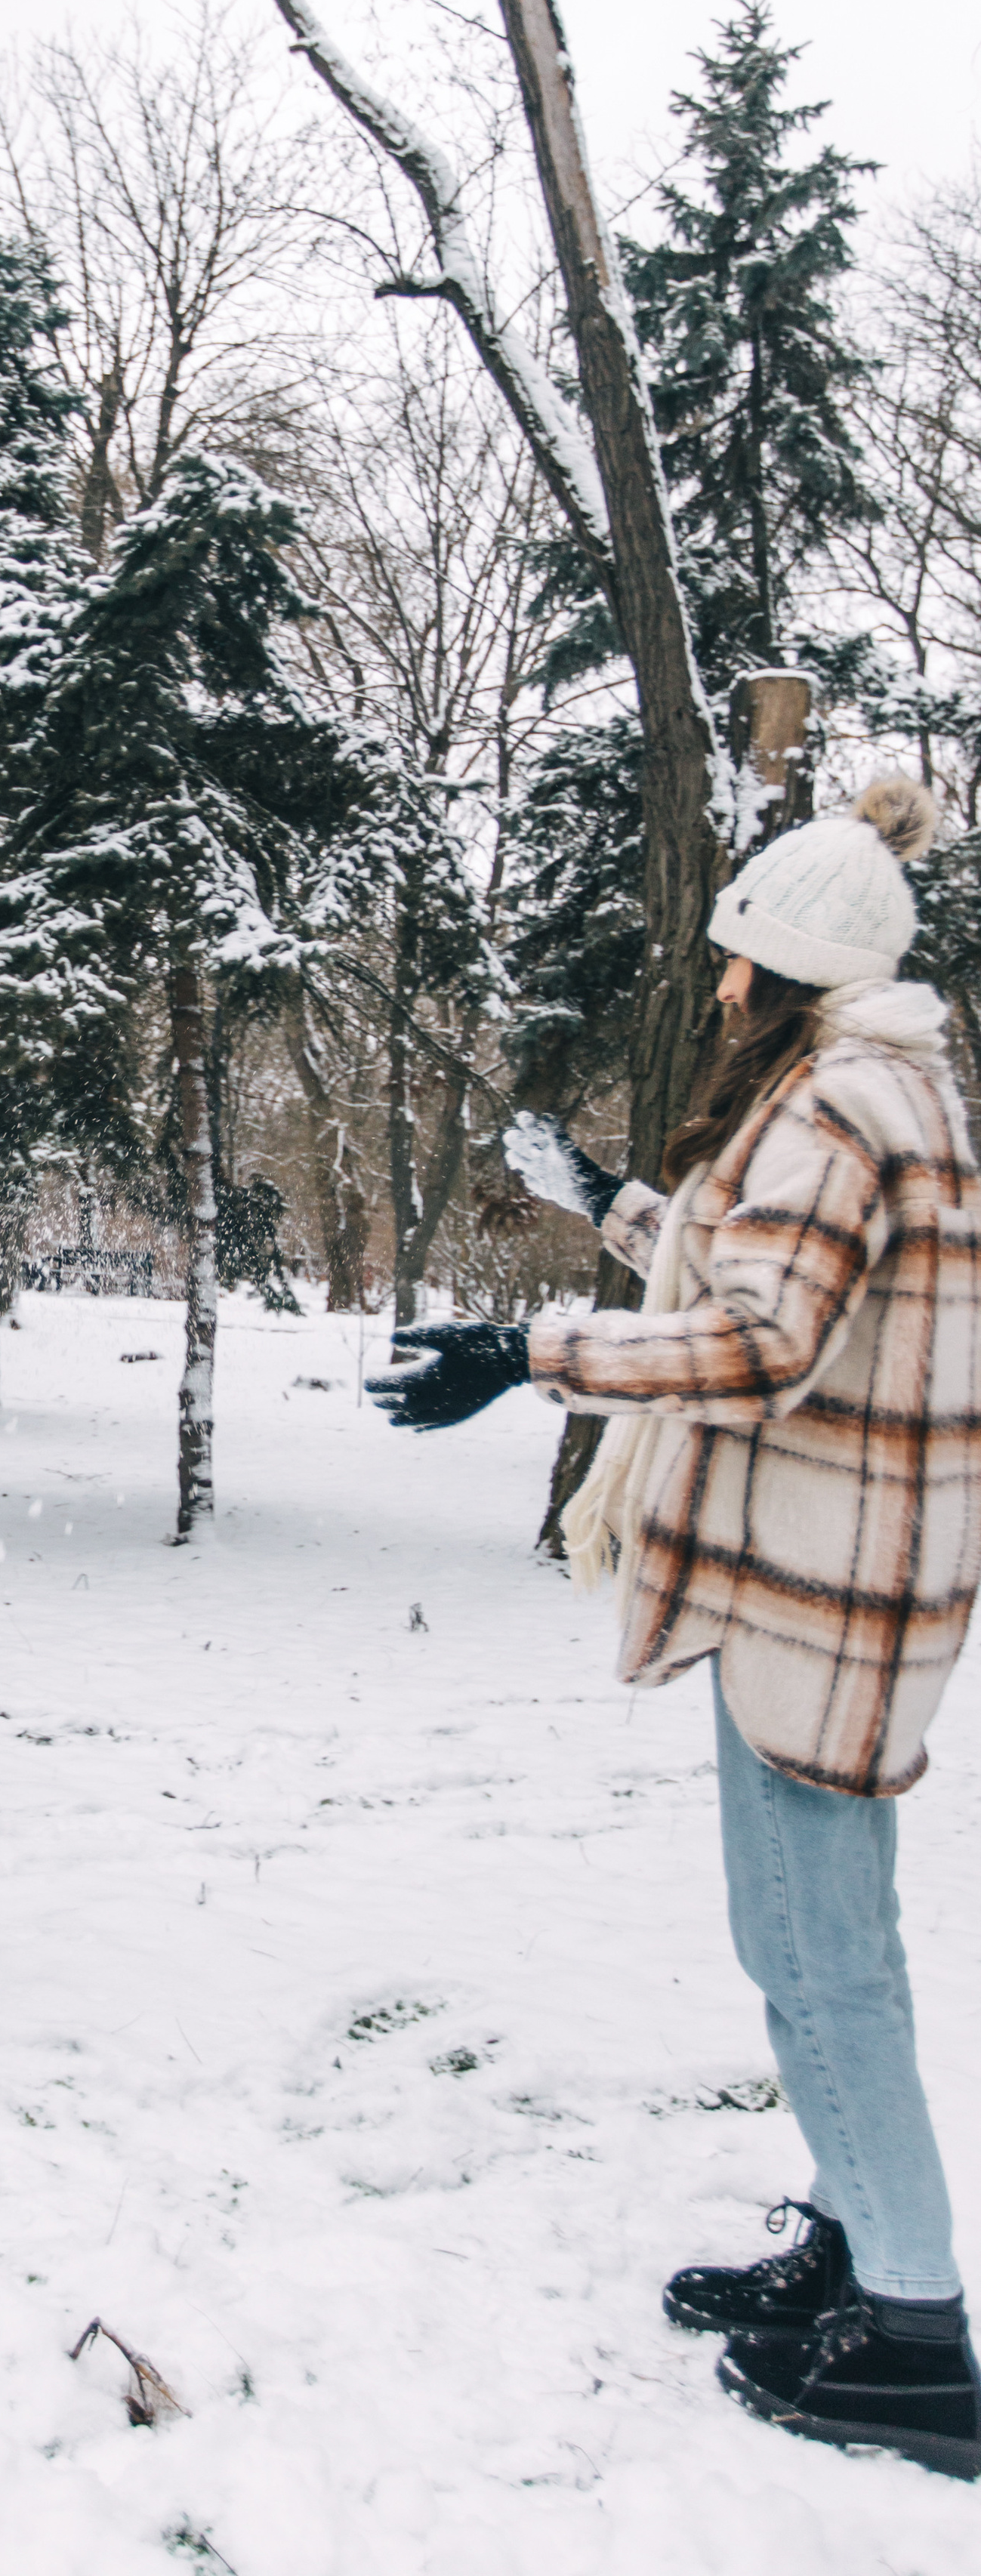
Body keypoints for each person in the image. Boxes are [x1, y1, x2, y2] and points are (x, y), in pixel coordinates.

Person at [367, 779, 981, 2480]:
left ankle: (914, 2335)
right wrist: (607, 1200)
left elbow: (759, 1342)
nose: (711, 989)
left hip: (822, 1589)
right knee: (795, 1943)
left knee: (819, 1957)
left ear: (782, 967)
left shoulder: (846, 1104)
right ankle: (860, 2255)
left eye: (729, 962)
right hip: (820, 1575)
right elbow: (751, 1273)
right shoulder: (862, 1092)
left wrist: (531, 1356)